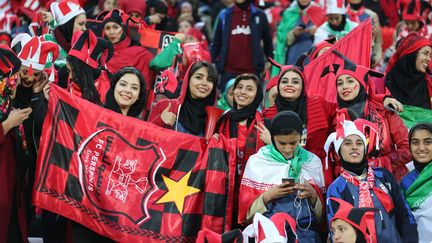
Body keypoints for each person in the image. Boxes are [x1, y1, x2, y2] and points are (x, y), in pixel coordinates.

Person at [325, 119, 418, 242]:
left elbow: (404, 213)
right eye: (347, 143)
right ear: (339, 151)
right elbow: (336, 232)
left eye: (359, 143)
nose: (354, 147)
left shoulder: (383, 176)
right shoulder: (336, 188)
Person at [239, 111, 325, 242]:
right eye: (282, 143)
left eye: (293, 143)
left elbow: (323, 218)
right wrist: (269, 196)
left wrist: (313, 195)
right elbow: (245, 215)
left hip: (307, 234)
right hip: (271, 233)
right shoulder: (257, 162)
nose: (288, 149)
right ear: (272, 138)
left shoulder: (312, 162)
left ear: (300, 137)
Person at [330, 51, 411, 181]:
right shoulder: (337, 118)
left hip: (392, 180)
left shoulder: (384, 110)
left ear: (362, 84)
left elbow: (408, 148)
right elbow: (336, 162)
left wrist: (380, 163)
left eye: (350, 81)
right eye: (340, 83)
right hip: (354, 185)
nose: (344, 86)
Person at [262, 61, 337, 187]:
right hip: (281, 176)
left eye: (295, 82)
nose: (289, 85)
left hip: (318, 173)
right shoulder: (268, 115)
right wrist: (272, 144)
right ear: (278, 86)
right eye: (285, 81)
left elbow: (343, 115)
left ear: (303, 86)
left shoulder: (319, 104)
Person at [214, 73, 264, 227]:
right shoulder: (221, 120)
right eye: (239, 87)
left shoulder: (263, 124)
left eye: (249, 89)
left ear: (257, 96)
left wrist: (270, 142)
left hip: (250, 196)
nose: (242, 92)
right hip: (223, 192)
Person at [0, 45, 32, 243]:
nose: (18, 80)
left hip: (13, 198)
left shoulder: (10, 104)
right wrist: (7, 125)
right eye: (14, 75)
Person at [211, 0, 273, 91]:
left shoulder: (260, 15)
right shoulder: (224, 15)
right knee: (225, 104)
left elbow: (268, 42)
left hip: (253, 72)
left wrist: (269, 61)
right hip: (228, 72)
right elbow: (216, 43)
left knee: (253, 104)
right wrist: (213, 63)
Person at [147, 61, 218, 137]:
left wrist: (213, 144)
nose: (204, 83)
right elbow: (145, 137)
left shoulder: (213, 120)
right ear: (188, 80)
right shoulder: (164, 106)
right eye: (198, 77)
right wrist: (160, 121)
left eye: (210, 80)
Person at [101, 9, 155, 91]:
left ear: (123, 28)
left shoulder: (141, 53)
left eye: (115, 27)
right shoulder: (100, 52)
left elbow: (157, 65)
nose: (111, 32)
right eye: (107, 28)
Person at [401, 122, 432, 243]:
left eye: (428, 142)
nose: (421, 148)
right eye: (415, 142)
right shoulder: (404, 182)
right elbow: (406, 219)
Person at [274, 0, 324, 74]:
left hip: (313, 58)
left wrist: (317, 33)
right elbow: (281, 41)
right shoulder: (289, 14)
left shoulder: (319, 12)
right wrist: (293, 33)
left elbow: (326, 40)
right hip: (293, 57)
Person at [385, 33, 432, 109]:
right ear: (412, 54)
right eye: (425, 53)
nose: (429, 59)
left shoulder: (428, 86)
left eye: (430, 55)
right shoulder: (385, 83)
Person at [67, 29, 114, 105]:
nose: (70, 77)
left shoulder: (111, 82)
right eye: (68, 71)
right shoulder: (71, 88)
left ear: (88, 70)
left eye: (75, 71)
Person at [43, 0, 87, 68]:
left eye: (85, 24)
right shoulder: (47, 41)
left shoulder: (86, 44)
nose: (85, 29)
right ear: (68, 26)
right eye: (81, 24)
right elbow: (47, 69)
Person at [346, 0, 383, 67]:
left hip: (367, 60)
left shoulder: (371, 15)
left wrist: (377, 57)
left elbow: (378, 41)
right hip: (346, 60)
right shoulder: (343, 15)